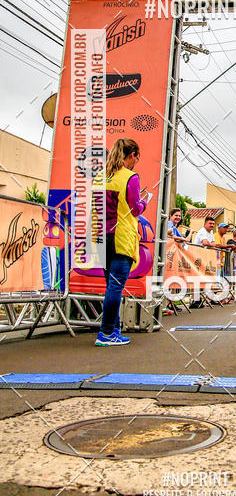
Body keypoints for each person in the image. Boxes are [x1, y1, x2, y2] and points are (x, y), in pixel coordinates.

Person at [92, 138, 148, 346]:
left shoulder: (100, 176)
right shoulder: (130, 177)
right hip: (121, 237)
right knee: (115, 288)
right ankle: (106, 333)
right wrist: (144, 202)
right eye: (136, 158)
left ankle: (113, 330)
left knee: (110, 286)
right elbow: (135, 209)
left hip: (101, 236)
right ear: (131, 155)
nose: (136, 162)